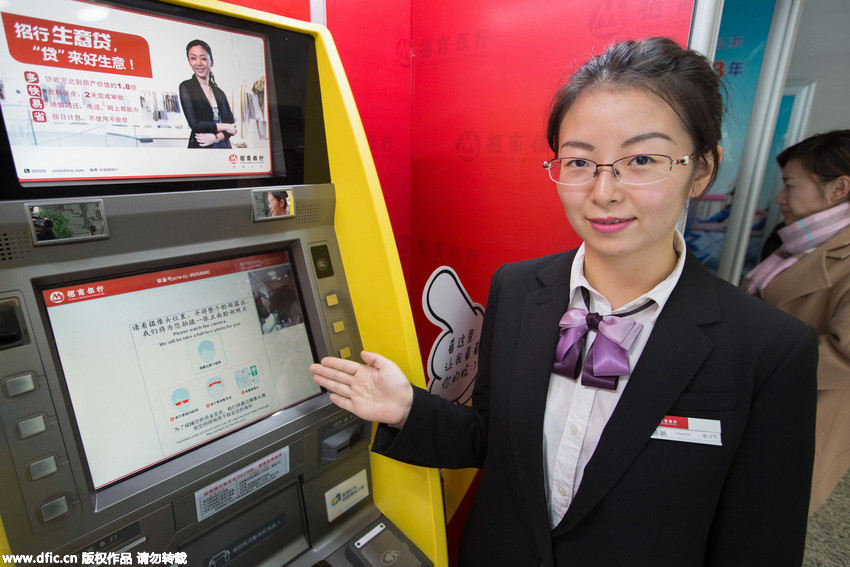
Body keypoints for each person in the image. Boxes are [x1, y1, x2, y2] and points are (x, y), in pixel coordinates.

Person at [312, 37, 818, 566]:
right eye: (579, 162)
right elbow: (496, 440)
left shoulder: (769, 349)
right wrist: (407, 409)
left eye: (641, 159)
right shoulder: (518, 288)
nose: (603, 192)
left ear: (702, 170)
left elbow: (760, 543)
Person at [743, 130, 850, 515]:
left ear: (839, 188)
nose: (780, 198)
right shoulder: (797, 243)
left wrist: (753, 368)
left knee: (766, 517)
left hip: (802, 413)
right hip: (763, 402)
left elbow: (843, 355)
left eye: (790, 186)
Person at [178, 39, 237, 148]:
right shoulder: (186, 87)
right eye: (193, 58)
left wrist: (215, 138)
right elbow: (195, 125)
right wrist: (225, 126)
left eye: (203, 58)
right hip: (201, 147)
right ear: (189, 61)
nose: (198, 63)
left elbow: (232, 127)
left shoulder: (220, 93)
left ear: (212, 61)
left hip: (223, 147)